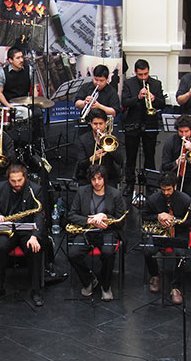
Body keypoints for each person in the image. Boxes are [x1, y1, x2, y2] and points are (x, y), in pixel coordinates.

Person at [0, 164, 45, 307]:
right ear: (9, 179)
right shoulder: (1, 187)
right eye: (13, 181)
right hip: (7, 229)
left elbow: (39, 215)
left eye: (19, 180)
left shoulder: (35, 190)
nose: (17, 184)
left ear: (25, 177)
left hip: (27, 231)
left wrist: (34, 236)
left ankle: (35, 290)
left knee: (34, 249)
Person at [67, 164, 126, 301]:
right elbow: (72, 215)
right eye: (93, 179)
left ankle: (106, 286)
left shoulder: (115, 194)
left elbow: (121, 220)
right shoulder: (82, 192)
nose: (97, 182)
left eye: (99, 179)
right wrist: (90, 221)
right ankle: (89, 280)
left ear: (104, 179)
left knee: (108, 253)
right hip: (86, 231)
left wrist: (105, 217)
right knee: (73, 254)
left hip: (107, 231)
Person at [142, 171, 191, 305]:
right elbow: (144, 216)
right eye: (163, 190)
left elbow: (190, 222)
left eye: (169, 190)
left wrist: (173, 219)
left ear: (175, 187)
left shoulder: (185, 200)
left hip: (179, 232)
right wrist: (158, 216)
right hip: (160, 232)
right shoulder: (153, 199)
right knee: (148, 250)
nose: (166, 193)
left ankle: (175, 286)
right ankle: (154, 275)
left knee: (181, 254)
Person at [121, 59, 166, 195]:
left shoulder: (156, 84)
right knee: (131, 157)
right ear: (135, 72)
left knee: (150, 156)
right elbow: (124, 102)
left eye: (146, 74)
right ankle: (129, 183)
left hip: (150, 123)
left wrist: (154, 99)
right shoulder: (129, 83)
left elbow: (162, 103)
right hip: (132, 124)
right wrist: (138, 97)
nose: (143, 77)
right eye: (140, 75)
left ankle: (150, 183)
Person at [0, 46, 43, 143]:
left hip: (25, 102)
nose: (21, 60)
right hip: (8, 104)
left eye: (22, 57)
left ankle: (35, 143)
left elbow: (35, 87)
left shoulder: (29, 70)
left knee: (38, 113)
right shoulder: (2, 73)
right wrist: (8, 106)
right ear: (10, 60)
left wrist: (31, 101)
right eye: (18, 58)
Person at [161, 115, 191, 212]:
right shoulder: (170, 143)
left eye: (186, 131)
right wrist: (176, 163)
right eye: (181, 132)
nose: (184, 135)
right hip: (175, 179)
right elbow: (164, 166)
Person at [75, 108, 123, 187]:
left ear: (106, 123)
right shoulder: (83, 139)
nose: (98, 127)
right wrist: (93, 158)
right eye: (95, 124)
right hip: (89, 178)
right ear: (90, 123)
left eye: (101, 124)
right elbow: (81, 164)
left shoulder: (112, 139)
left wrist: (109, 147)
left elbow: (120, 161)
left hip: (108, 178)